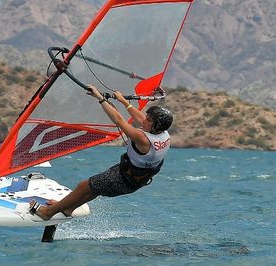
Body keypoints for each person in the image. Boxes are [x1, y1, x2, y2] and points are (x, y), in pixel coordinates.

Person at [30, 85, 173, 221]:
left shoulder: (143, 139)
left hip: (123, 179)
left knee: (84, 186)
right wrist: (124, 101)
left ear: (155, 126)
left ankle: (48, 212)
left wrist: (99, 97)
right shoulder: (163, 133)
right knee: (93, 189)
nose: (144, 120)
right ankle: (67, 208)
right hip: (132, 177)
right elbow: (141, 119)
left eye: (148, 120)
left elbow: (118, 120)